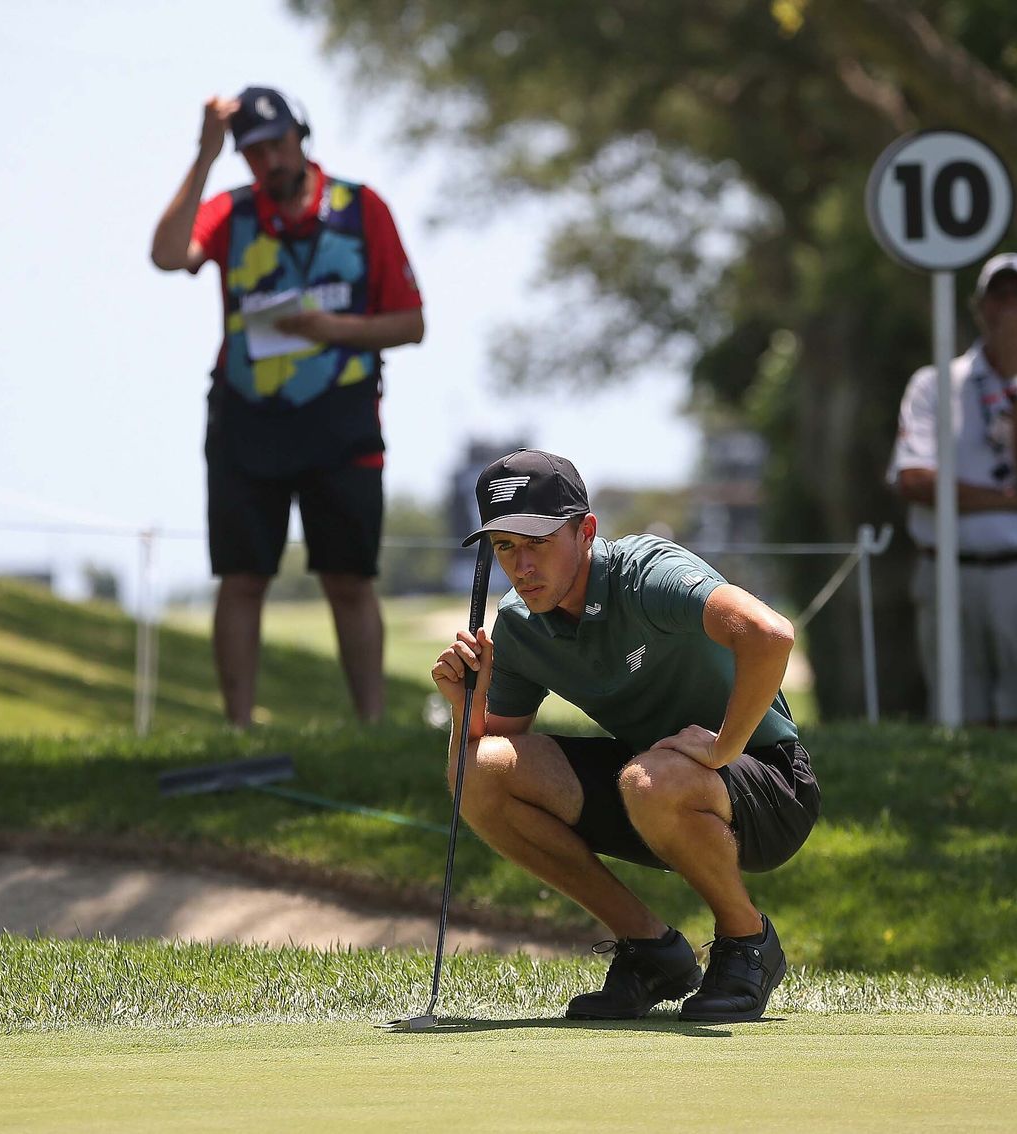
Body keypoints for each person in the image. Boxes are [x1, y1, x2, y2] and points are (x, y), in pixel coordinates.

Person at [432, 449, 820, 1023]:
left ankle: (748, 942)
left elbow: (770, 634)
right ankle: (650, 950)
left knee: (651, 780)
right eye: (505, 546)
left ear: (586, 531)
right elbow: (487, 761)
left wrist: (722, 748)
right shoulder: (518, 625)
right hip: (652, 786)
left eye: (538, 542)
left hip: (771, 786)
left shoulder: (646, 573)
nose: (522, 565)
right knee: (481, 772)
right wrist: (466, 707)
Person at [150, 87, 424, 726]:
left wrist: (333, 330)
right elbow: (166, 255)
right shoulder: (232, 211)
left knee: (349, 578)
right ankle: (238, 731)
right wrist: (204, 155)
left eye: (278, 144)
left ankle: (371, 729)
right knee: (242, 577)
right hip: (246, 419)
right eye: (253, 152)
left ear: (302, 137)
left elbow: (411, 323)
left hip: (343, 419)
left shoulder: (361, 208)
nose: (269, 160)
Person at [887, 253, 1017, 727]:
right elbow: (914, 481)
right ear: (979, 308)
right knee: (956, 720)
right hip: (948, 571)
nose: (1009, 308)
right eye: (998, 296)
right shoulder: (933, 384)